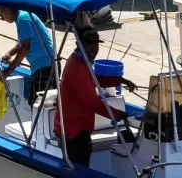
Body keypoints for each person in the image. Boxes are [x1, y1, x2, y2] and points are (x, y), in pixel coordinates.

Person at [54, 27, 137, 167]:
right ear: (79, 44)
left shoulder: (81, 61)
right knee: (79, 168)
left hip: (77, 128)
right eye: (88, 43)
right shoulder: (76, 67)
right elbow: (91, 101)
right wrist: (117, 114)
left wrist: (119, 80)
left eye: (96, 43)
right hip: (73, 132)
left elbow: (92, 79)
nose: (93, 48)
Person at [0, 4, 55, 105]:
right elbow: (23, 42)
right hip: (42, 66)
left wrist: (8, 71)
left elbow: (25, 48)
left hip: (44, 66)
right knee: (37, 102)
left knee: (38, 104)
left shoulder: (23, 19)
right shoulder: (22, 17)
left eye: (1, 15)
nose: (2, 19)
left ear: (6, 10)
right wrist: (10, 53)